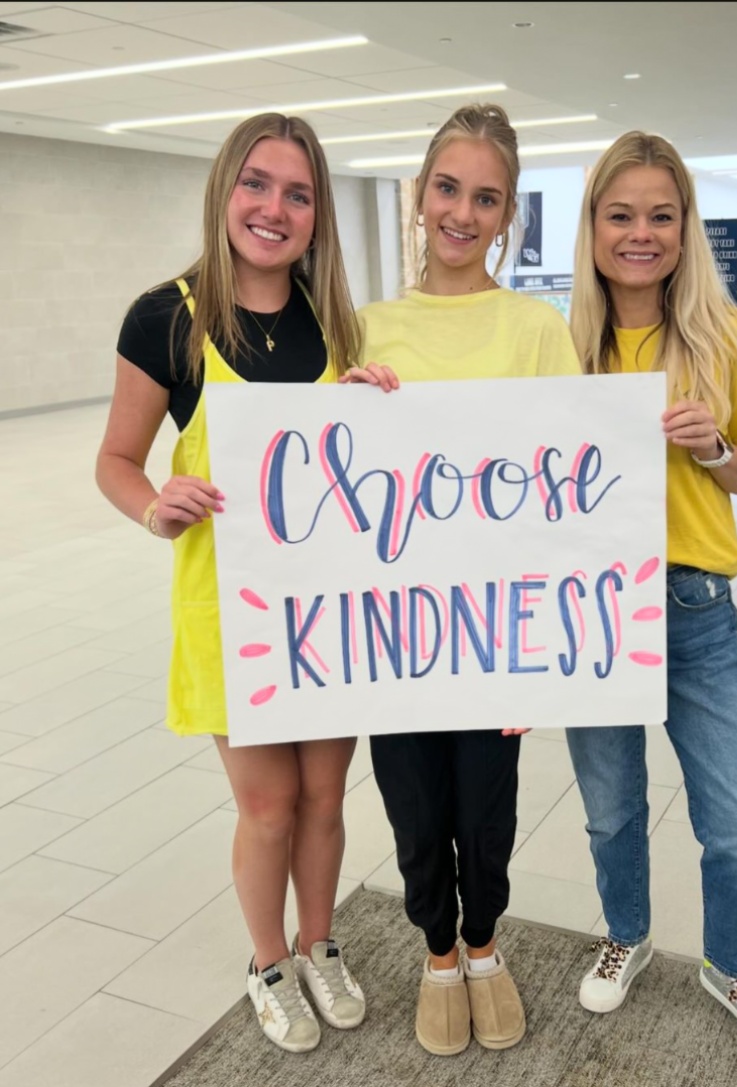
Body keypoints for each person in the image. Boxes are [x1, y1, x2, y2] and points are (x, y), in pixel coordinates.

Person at [95, 113, 366, 1055]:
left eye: (298, 193)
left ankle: (319, 940)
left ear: (317, 215)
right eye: (258, 183)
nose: (274, 207)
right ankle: (269, 963)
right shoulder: (165, 317)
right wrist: (154, 504)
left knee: (328, 799)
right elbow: (118, 460)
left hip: (330, 611)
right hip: (235, 615)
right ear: (224, 189)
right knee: (268, 805)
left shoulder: (334, 318)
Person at [344, 103, 582, 1056]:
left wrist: (544, 649)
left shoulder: (535, 329)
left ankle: (485, 943)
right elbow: (333, 489)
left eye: (486, 197)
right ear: (419, 195)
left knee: (486, 808)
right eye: (448, 188)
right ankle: (437, 952)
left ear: (507, 213)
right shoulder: (364, 325)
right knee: (413, 808)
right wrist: (346, 412)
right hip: (395, 629)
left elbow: (570, 493)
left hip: (492, 629)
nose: (462, 211)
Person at [564, 131, 737, 1058]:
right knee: (611, 808)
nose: (641, 233)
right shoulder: (561, 345)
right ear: (592, 226)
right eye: (620, 214)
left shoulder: (726, 336)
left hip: (697, 609)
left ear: (686, 227)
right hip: (593, 611)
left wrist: (712, 450)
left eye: (662, 215)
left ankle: (735, 962)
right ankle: (626, 933)